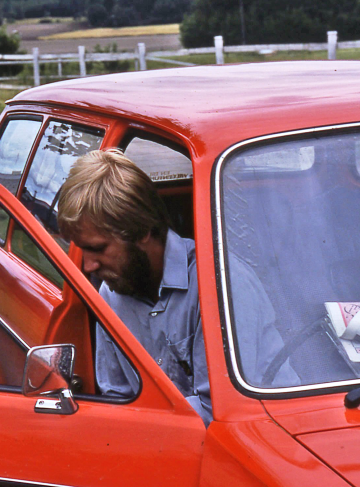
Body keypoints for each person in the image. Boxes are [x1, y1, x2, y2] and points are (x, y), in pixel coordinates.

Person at [57, 150, 295, 425]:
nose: (88, 267)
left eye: (98, 249)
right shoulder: (111, 294)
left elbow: (216, 411)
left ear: (141, 231)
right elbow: (116, 394)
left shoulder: (220, 288)